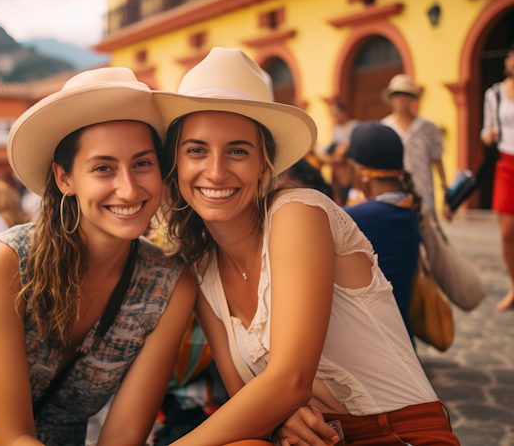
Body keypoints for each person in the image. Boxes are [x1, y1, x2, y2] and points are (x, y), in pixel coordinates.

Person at [156, 47, 460, 446]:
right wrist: (279, 418)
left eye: (237, 151)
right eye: (196, 150)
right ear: (176, 164)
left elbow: (289, 382)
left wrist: (281, 404)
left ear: (265, 165)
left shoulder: (298, 212)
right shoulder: (201, 269)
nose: (215, 171)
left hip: (397, 433)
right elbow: (246, 399)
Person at [0, 67, 196, 446]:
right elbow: (14, 437)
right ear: (64, 178)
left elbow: (123, 434)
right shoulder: (6, 261)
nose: (128, 188)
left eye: (142, 163)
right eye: (104, 168)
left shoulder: (169, 283)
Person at [342, 123, 422, 339]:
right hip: (402, 338)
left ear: (361, 172)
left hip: (370, 344)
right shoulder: (410, 208)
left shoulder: (353, 217)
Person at [380, 75, 452, 221]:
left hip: (424, 191)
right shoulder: (383, 128)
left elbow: (437, 159)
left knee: (428, 235)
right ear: (391, 98)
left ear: (412, 98)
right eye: (397, 94)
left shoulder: (428, 127)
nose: (401, 99)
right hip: (394, 192)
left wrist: (446, 194)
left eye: (406, 94)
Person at [482, 42, 514, 311]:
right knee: (507, 232)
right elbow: (486, 130)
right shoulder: (494, 94)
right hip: (506, 162)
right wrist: (488, 135)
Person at [314, 103, 358, 205]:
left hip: (351, 166)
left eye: (336, 113)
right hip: (340, 165)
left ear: (344, 113)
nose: (334, 116)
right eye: (332, 114)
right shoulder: (335, 129)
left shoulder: (354, 126)